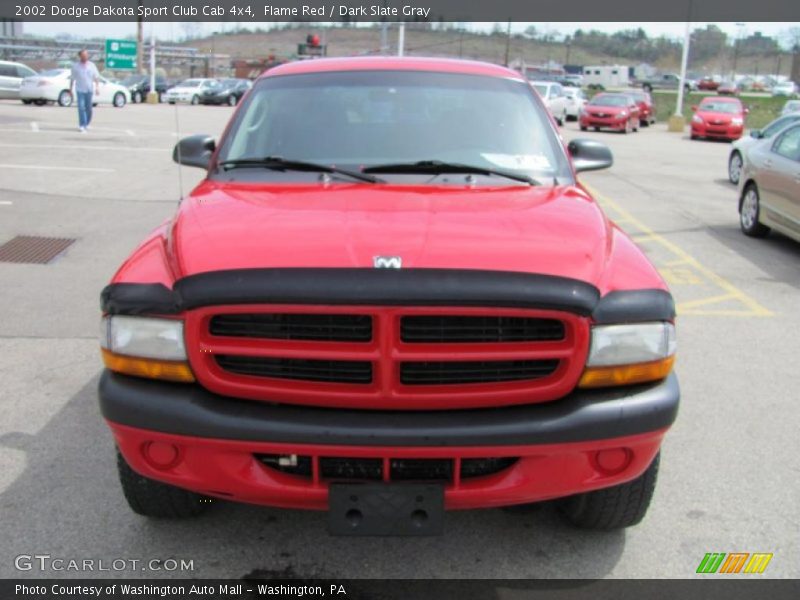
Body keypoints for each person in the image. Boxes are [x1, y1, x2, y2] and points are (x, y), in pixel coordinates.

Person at [70, 49, 100, 133]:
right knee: (81, 107)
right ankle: (82, 125)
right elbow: (72, 79)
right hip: (80, 90)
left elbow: (96, 77)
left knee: (89, 108)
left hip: (89, 89)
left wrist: (97, 87)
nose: (85, 57)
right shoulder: (75, 66)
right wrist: (70, 89)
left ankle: (87, 123)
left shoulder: (92, 65)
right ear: (80, 56)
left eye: (86, 55)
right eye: (83, 55)